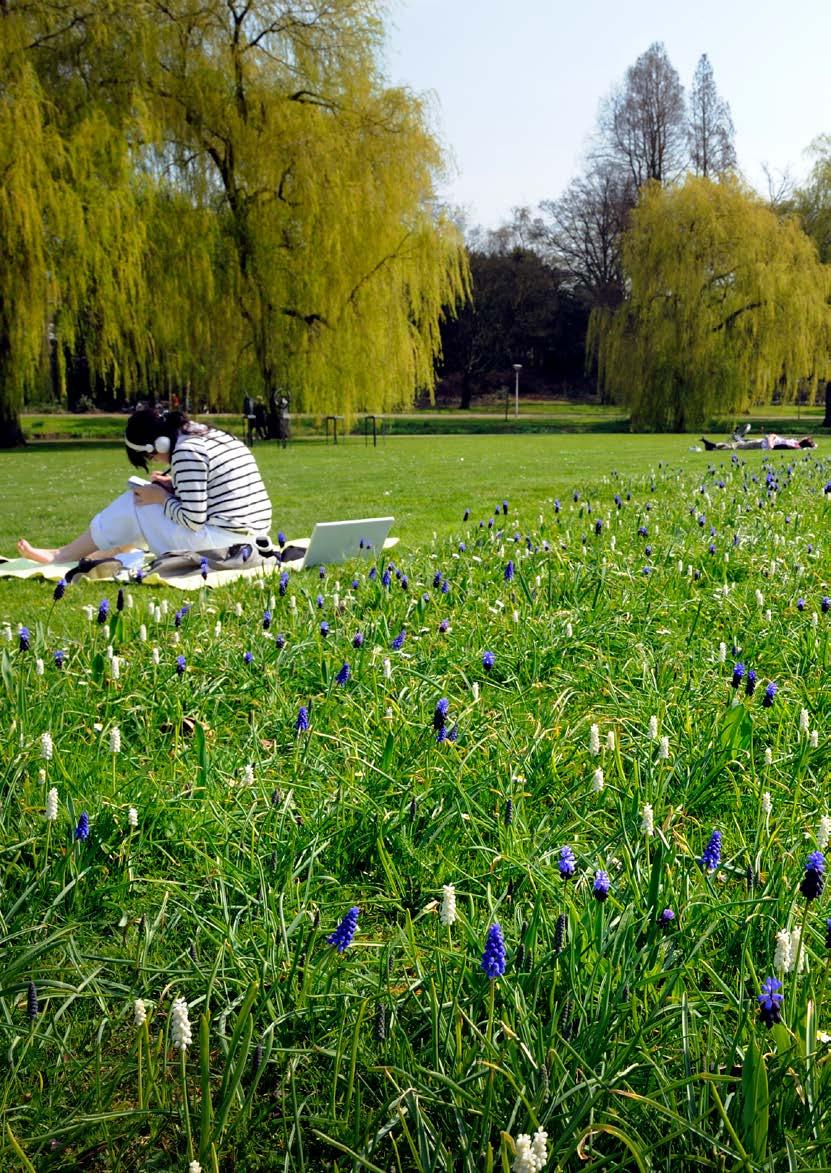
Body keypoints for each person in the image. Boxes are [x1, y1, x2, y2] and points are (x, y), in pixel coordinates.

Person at [17, 407, 273, 565]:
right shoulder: (211, 436)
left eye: (150, 457)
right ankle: (89, 552)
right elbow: (217, 488)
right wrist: (173, 484)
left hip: (220, 545)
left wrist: (161, 497)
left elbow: (194, 519)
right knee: (146, 498)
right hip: (252, 538)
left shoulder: (186, 451)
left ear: (158, 445)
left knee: (136, 500)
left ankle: (62, 556)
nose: (155, 461)